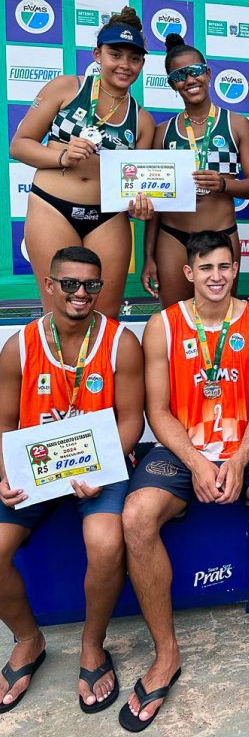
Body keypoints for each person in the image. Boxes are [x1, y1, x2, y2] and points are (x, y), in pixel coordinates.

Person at [120, 231, 249, 731]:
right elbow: (157, 412)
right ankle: (166, 654)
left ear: (236, 269)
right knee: (136, 517)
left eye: (225, 267)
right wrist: (197, 463)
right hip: (183, 452)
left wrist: (236, 459)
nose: (216, 276)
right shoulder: (162, 326)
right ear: (188, 273)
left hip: (248, 448)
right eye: (205, 267)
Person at [0, 247, 143, 714]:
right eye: (70, 284)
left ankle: (92, 644)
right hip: (36, 468)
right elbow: (3, 424)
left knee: (105, 543)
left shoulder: (121, 341)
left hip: (96, 467)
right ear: (48, 284)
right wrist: (4, 472)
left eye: (92, 285)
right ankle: (28, 640)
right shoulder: (18, 346)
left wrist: (101, 466)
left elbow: (130, 421)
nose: (82, 294)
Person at [10, 8, 155, 318]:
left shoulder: (142, 120)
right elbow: (19, 146)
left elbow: (137, 185)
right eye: (115, 54)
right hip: (53, 208)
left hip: (108, 217)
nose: (124, 65)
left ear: (142, 63)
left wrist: (140, 205)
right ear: (97, 54)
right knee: (58, 314)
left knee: (105, 316)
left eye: (134, 58)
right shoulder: (66, 88)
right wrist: (62, 155)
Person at [141, 34, 249, 306]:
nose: (190, 80)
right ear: (173, 84)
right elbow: (155, 202)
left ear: (208, 74)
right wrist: (148, 255)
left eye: (195, 71)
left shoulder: (237, 124)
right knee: (175, 320)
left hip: (222, 235)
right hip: (173, 238)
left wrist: (224, 184)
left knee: (223, 321)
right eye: (180, 76)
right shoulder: (162, 133)